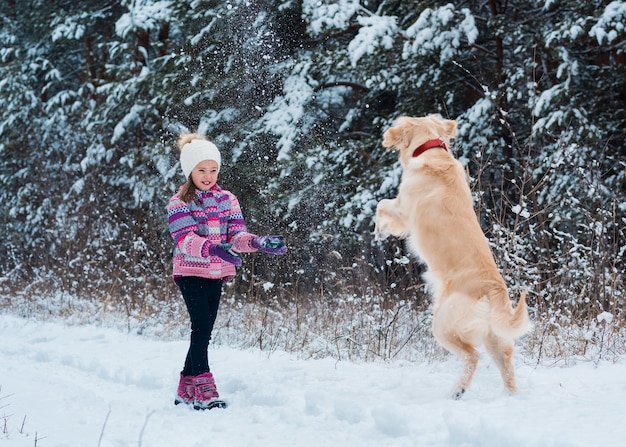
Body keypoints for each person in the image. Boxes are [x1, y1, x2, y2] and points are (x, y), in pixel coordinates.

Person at [167, 133, 287, 410]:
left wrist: (256, 242)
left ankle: (185, 386)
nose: (208, 175)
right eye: (201, 170)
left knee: (205, 330)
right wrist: (212, 248)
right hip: (190, 271)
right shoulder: (179, 202)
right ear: (190, 171)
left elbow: (236, 235)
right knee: (201, 326)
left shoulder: (228, 199)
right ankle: (204, 387)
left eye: (213, 169)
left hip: (217, 273)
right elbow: (184, 239)